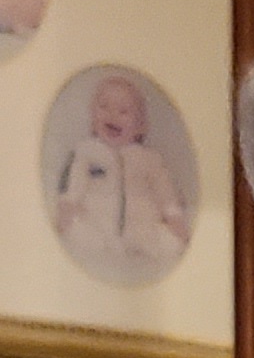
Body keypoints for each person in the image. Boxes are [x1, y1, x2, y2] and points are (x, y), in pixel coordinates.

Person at [55, 73, 190, 278]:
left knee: (170, 242)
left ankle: (143, 253)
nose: (112, 115)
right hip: (98, 227)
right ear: (92, 117)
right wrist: (69, 204)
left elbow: (164, 190)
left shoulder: (149, 158)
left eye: (123, 111)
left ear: (140, 126)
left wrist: (173, 215)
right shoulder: (87, 152)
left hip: (142, 230)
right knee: (75, 231)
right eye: (104, 107)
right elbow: (75, 182)